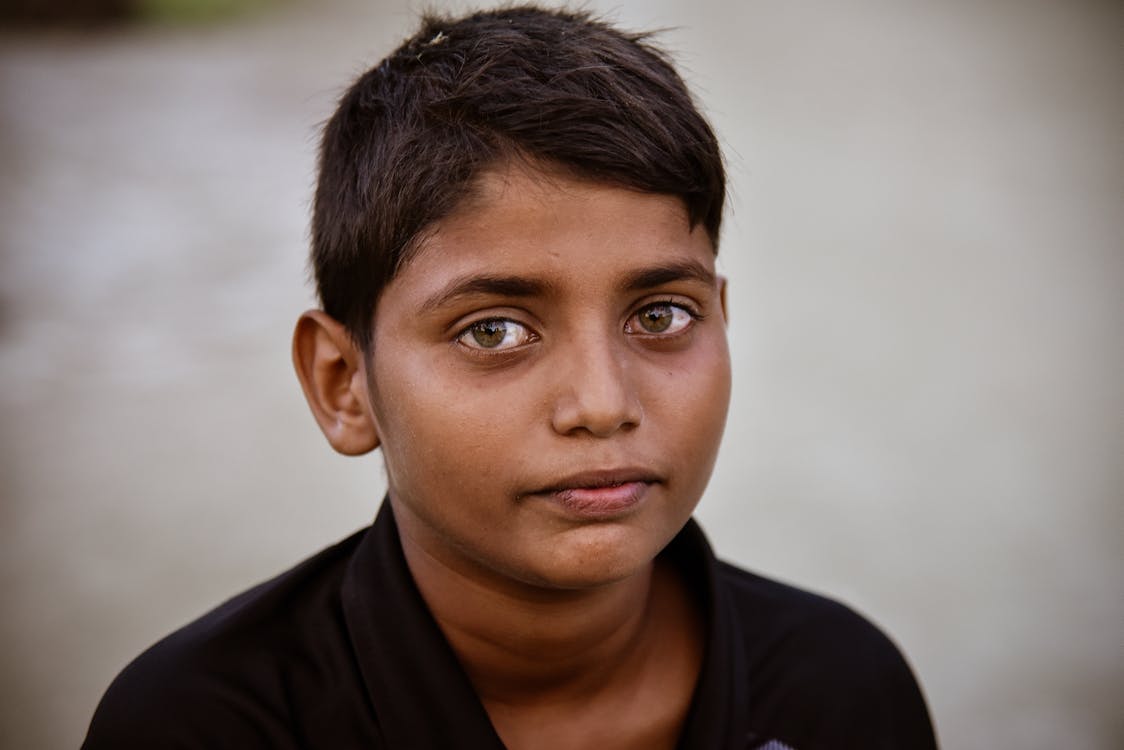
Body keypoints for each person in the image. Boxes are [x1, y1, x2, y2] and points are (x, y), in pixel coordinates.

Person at [82, 6, 937, 749]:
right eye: (494, 329)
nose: (604, 405)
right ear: (345, 383)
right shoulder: (199, 727)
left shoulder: (841, 691)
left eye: (661, 316)